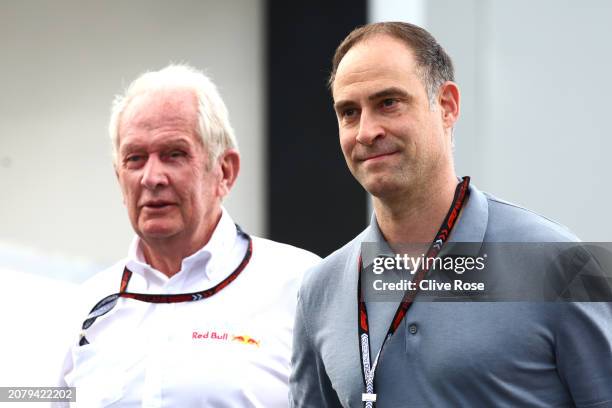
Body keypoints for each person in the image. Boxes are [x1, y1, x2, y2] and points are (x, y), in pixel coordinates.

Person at [289, 22, 612, 407]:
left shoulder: (561, 264)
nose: (366, 131)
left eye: (388, 102)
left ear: (446, 106)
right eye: (349, 112)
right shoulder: (320, 291)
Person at [57, 64, 320, 407]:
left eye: (174, 154)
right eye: (135, 159)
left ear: (225, 171)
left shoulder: (301, 285)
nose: (152, 177)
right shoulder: (85, 305)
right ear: (119, 178)